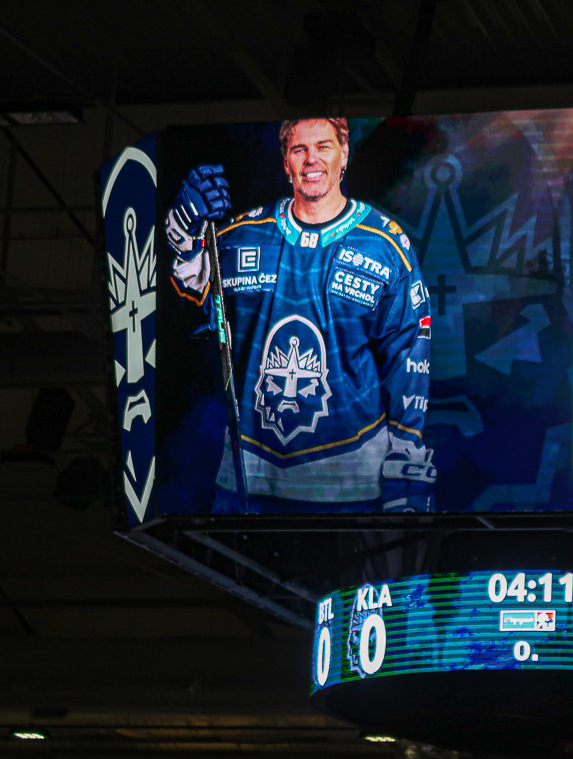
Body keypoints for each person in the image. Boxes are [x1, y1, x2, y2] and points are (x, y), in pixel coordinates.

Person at [165, 117, 435, 513]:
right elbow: (189, 293)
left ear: (345, 155)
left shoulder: (385, 245)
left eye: (324, 147)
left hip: (355, 490)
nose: (312, 160)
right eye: (299, 150)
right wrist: (182, 227)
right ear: (285, 163)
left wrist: (406, 467)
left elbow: (409, 355)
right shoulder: (244, 235)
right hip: (248, 484)